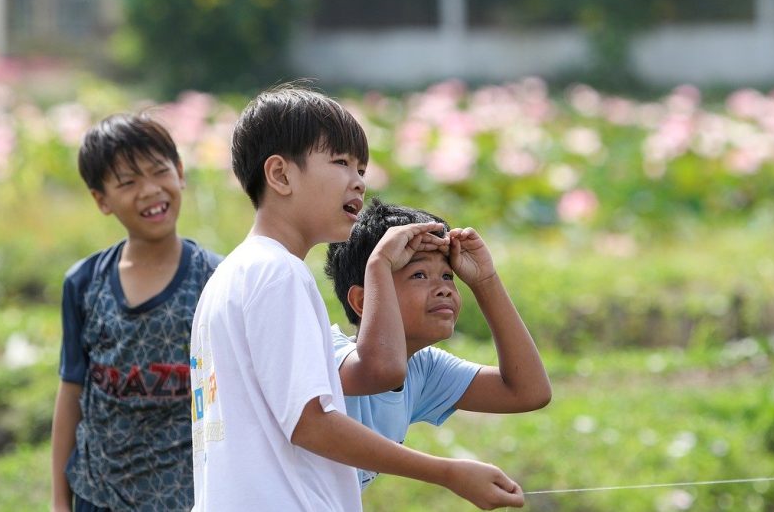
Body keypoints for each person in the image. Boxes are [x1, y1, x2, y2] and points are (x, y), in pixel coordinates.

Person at [189, 85, 525, 510]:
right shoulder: (278, 272)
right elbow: (310, 424)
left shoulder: (230, 277)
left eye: (362, 169)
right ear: (280, 175)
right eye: (341, 163)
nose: (359, 182)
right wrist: (447, 472)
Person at [51, 114, 222, 512]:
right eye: (127, 182)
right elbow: (71, 390)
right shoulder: (84, 282)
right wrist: (60, 501)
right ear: (101, 200)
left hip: (190, 496)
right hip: (98, 494)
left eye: (159, 171)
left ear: (180, 173)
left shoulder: (217, 280)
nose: (148, 190)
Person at [325, 198, 552, 489]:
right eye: (419, 275)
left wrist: (486, 281)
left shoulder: (422, 368)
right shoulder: (327, 354)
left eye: (447, 276)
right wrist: (379, 262)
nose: (444, 289)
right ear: (362, 301)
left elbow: (528, 392)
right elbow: (380, 370)